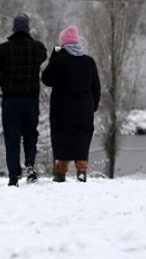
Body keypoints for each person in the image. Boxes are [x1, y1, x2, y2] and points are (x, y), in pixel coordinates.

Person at [0, 13, 47, 186]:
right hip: (31, 99)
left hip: (11, 99)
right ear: (28, 29)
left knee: (12, 137)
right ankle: (30, 166)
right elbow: (43, 56)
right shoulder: (37, 48)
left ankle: (14, 175)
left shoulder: (3, 49)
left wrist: (4, 82)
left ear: (13, 29)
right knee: (30, 134)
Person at [41, 25, 101, 183]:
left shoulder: (59, 61)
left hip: (62, 109)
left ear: (63, 44)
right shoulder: (89, 62)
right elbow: (96, 87)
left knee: (61, 139)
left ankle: (61, 172)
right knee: (82, 139)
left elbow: (46, 79)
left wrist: (54, 56)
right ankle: (81, 170)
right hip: (84, 110)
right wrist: (92, 107)